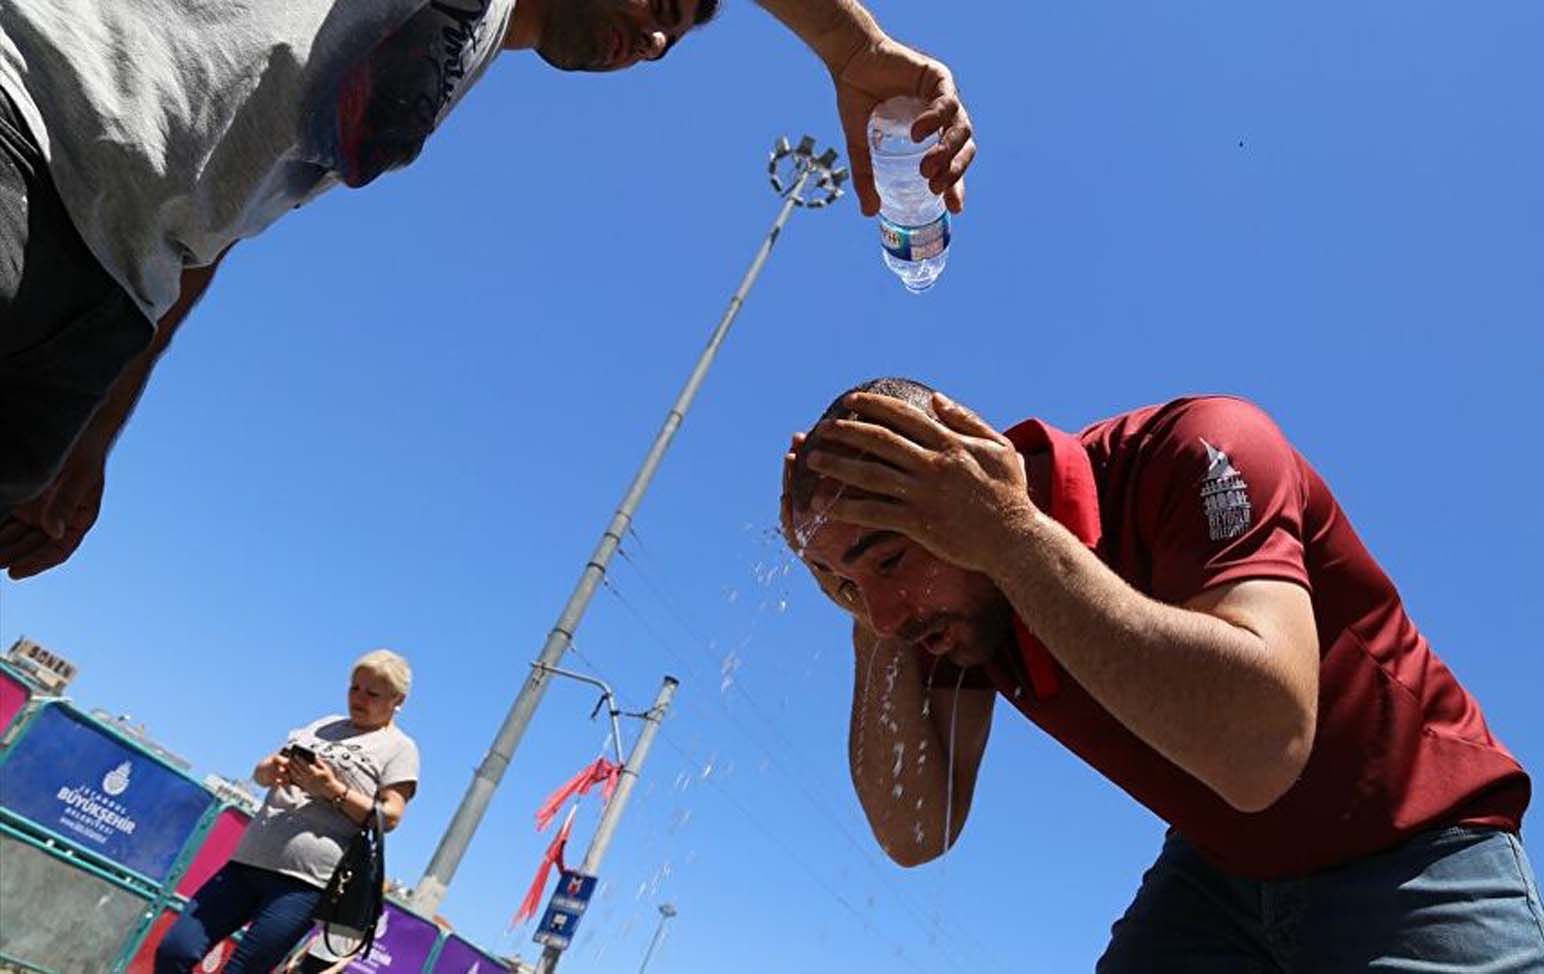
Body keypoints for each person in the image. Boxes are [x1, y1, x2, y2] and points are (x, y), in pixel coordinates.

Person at [0, 0, 976, 579]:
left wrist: (98, 430)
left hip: (107, 300)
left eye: (675, 37)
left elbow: (218, 232)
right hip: (32, 124)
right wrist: (853, 49)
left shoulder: (446, 63)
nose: (657, 40)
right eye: (665, 3)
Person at [781, 378, 1544, 973]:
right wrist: (865, 614)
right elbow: (914, 830)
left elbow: (1263, 749)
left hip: (1415, 844)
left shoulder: (1194, 451)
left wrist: (1013, 539)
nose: (887, 613)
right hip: (1225, 865)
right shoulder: (945, 606)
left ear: (969, 478)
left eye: (890, 561)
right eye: (844, 583)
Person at [156, 651, 422, 974]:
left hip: (305, 883)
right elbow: (261, 773)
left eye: (372, 693)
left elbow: (390, 817)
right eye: (355, 688)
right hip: (249, 861)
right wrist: (271, 770)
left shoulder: (400, 748)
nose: (359, 698)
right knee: (174, 950)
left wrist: (333, 789)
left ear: (398, 700)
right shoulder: (324, 725)